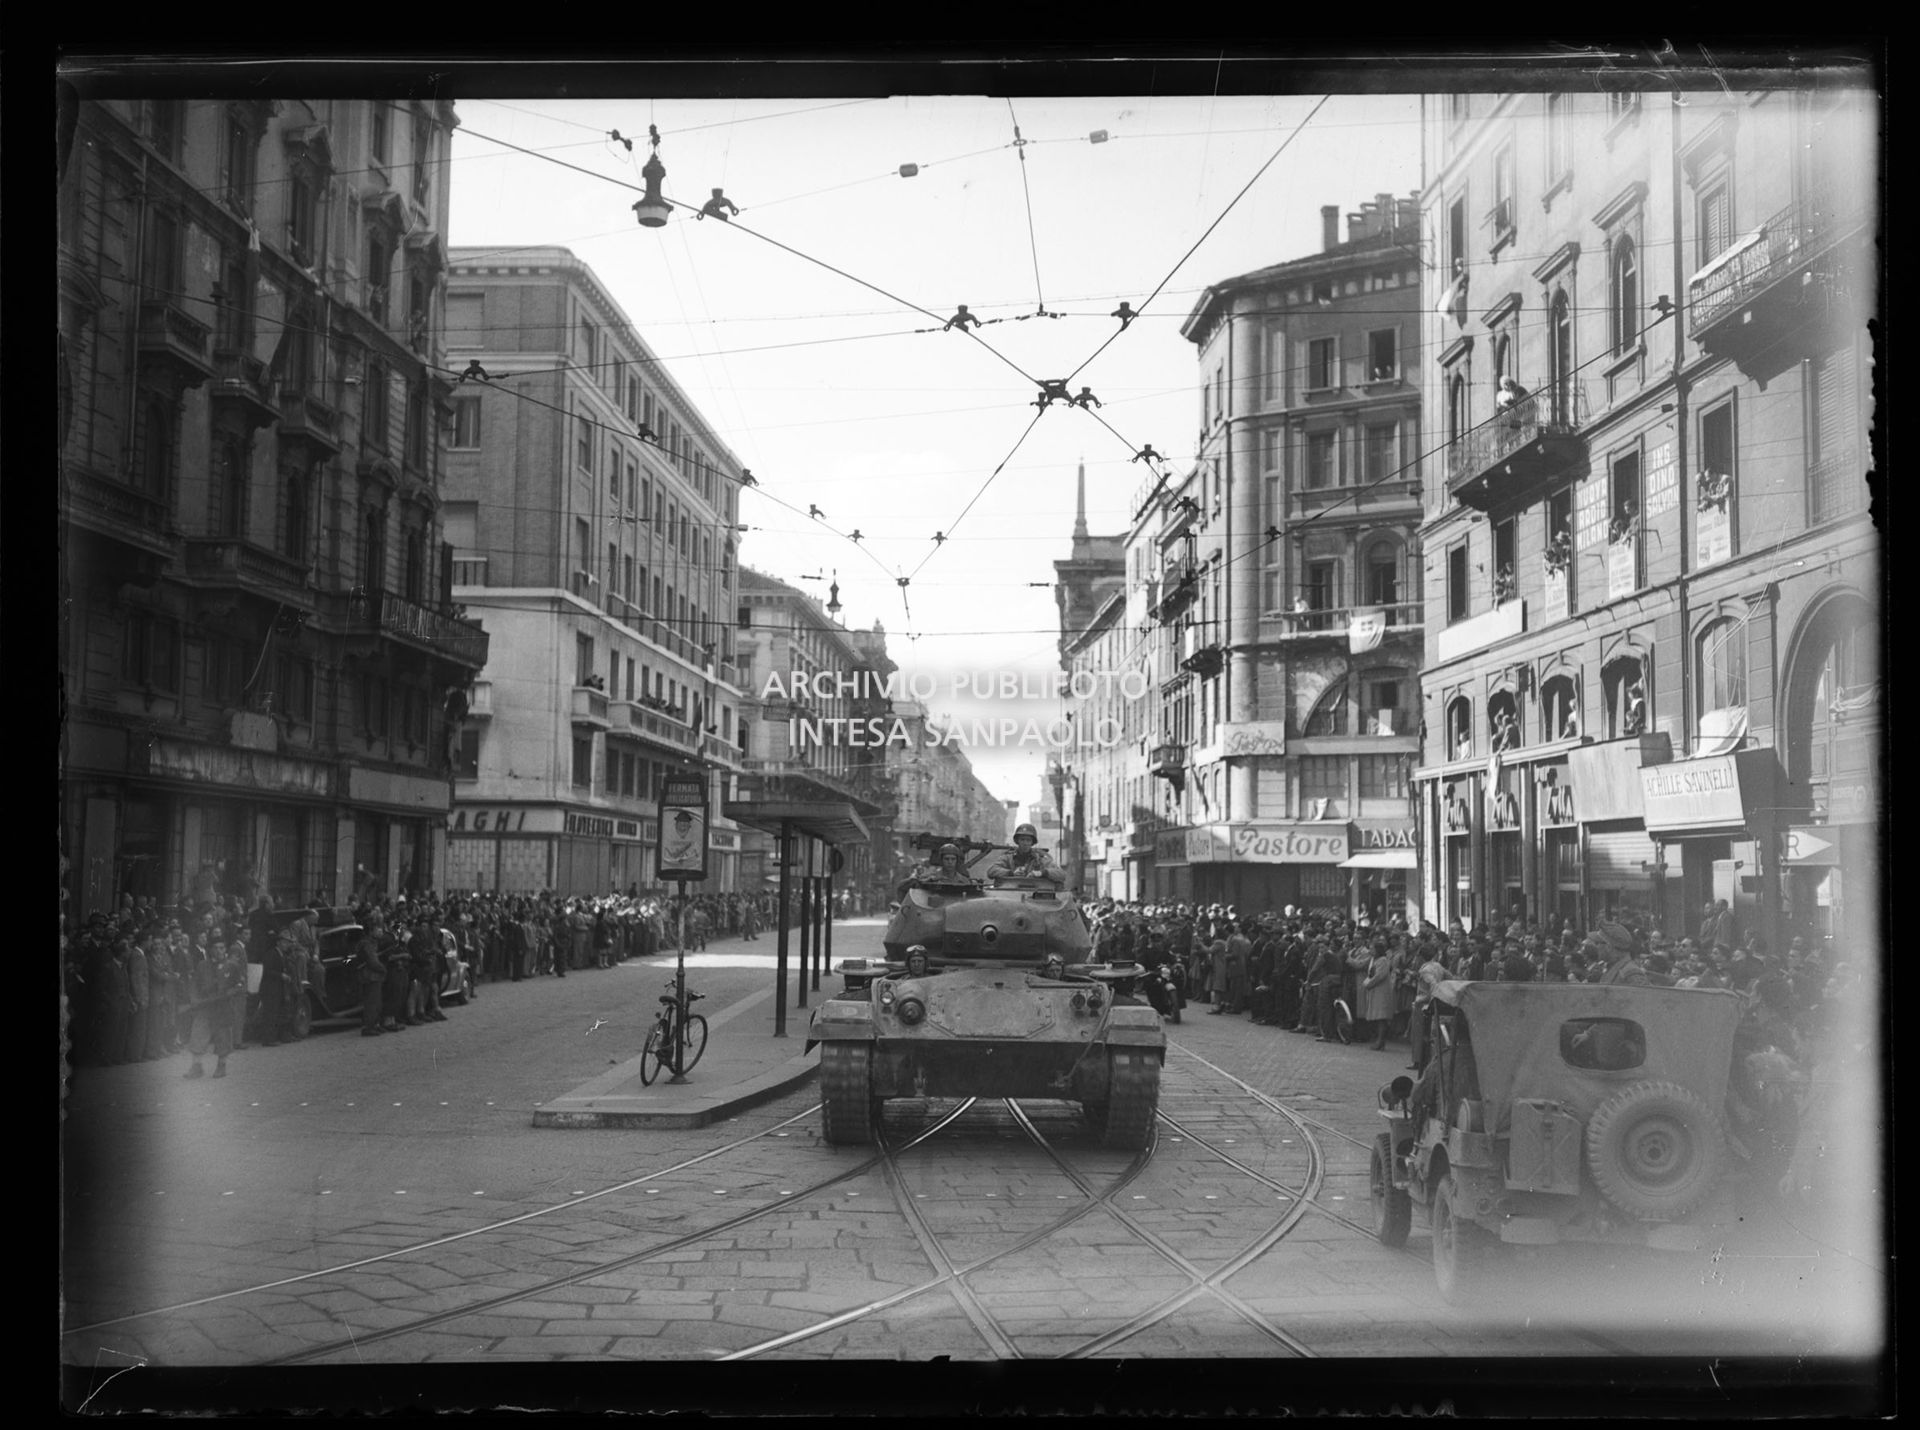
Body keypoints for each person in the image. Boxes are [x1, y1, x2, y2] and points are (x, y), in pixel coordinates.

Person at [985, 825, 1064, 886]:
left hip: (1034, 894)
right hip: (1010, 892)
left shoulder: (1040, 859)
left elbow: (1061, 874)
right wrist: (1011, 873)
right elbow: (992, 871)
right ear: (1017, 841)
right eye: (1022, 839)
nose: (1025, 843)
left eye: (1028, 840)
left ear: (1032, 843)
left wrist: (1042, 873)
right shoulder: (1008, 857)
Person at [1362, 942, 1396, 1049]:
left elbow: (1379, 976)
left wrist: (1367, 984)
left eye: (1372, 948)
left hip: (1381, 992)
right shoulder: (1373, 960)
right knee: (1377, 1017)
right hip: (1375, 991)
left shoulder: (1383, 961)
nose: (1370, 951)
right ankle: (1379, 1041)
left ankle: (1381, 1041)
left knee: (1382, 1017)